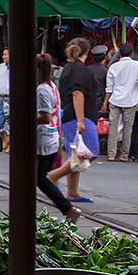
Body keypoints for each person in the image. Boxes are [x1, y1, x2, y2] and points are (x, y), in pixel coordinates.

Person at [51, 37, 100, 203]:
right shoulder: (80, 69)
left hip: (70, 115)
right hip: (79, 116)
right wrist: (80, 120)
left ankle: (72, 191)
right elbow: (77, 93)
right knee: (90, 150)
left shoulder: (68, 67)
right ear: (87, 51)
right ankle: (53, 176)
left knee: (77, 151)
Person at [35, 53, 82, 223]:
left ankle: (67, 208)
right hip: (51, 138)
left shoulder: (41, 90)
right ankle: (67, 208)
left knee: (38, 178)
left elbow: (45, 117)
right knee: (38, 177)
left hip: (43, 140)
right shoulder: (51, 86)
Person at [102, 42, 138, 161]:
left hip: (115, 99)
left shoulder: (113, 67)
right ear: (132, 53)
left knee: (113, 126)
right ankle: (124, 155)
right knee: (128, 127)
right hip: (131, 100)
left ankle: (111, 154)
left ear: (120, 54)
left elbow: (109, 88)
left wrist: (105, 103)